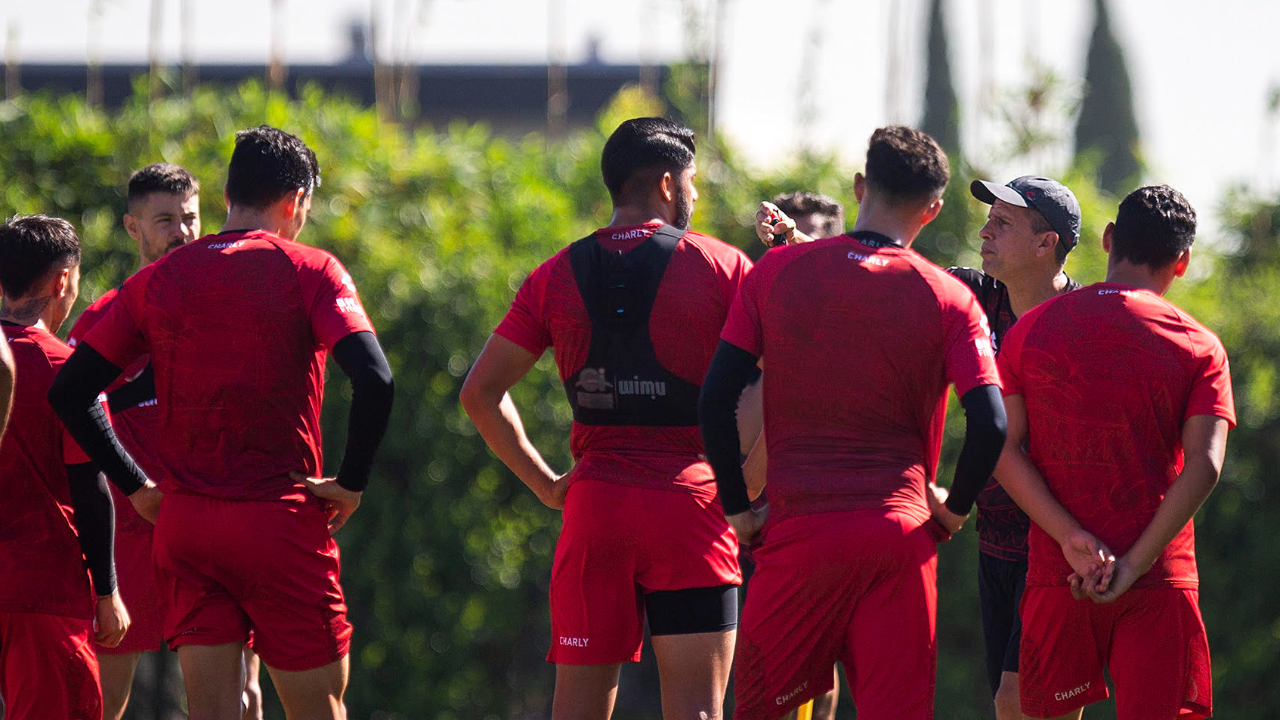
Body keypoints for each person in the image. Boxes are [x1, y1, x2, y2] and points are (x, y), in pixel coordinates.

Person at [49, 126, 395, 720]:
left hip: (186, 529)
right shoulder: (310, 268)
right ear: (295, 203)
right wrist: (352, 482)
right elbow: (375, 378)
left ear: (229, 193)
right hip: (277, 523)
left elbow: (71, 388)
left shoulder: (155, 280)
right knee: (320, 708)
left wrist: (136, 487)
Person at [699, 126, 1007, 720]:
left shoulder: (775, 274)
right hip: (898, 537)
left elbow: (714, 398)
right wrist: (954, 509)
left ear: (861, 185)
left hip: (796, 537)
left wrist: (739, 510)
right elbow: (990, 424)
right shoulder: (949, 296)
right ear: (934, 209)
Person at [461, 117, 751, 720]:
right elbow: (776, 379)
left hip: (596, 508)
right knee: (698, 712)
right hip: (692, 508)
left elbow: (480, 393)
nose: (694, 195)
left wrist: (545, 485)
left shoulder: (555, 273)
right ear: (670, 184)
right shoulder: (723, 266)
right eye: (693, 182)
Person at [763, 176, 1084, 719]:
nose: (984, 231)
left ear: (1045, 244)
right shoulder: (973, 293)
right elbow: (884, 279)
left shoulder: (1081, 322)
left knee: (1024, 702)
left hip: (1060, 543)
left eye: (1001, 223)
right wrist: (797, 244)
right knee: (1017, 705)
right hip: (997, 541)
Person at [993, 185, 1233, 720]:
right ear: (1183, 262)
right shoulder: (1200, 345)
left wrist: (1070, 538)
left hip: (1060, 574)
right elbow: (1205, 465)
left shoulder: (1029, 331)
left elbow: (1003, 449)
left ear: (1108, 240)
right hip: (1158, 578)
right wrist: (1134, 564)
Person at [66, 163, 264, 720]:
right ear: (133, 228)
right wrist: (134, 489)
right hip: (134, 533)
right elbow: (72, 414)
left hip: (212, 528)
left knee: (241, 702)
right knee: (100, 705)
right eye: (164, 220)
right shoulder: (109, 315)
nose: (181, 232)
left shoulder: (231, 310)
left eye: (191, 218)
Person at [0, 214, 140, 719]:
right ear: (64, 279)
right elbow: (91, 486)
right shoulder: (67, 372)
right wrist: (108, 593)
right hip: (43, 590)